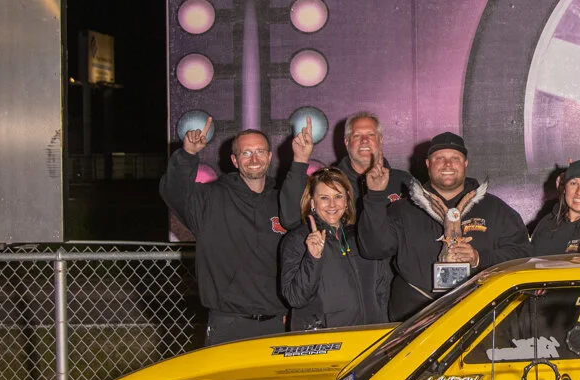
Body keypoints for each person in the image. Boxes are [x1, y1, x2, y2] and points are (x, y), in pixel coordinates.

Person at [357, 130, 529, 319]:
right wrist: (375, 197)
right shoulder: (403, 209)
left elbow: (522, 255)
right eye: (439, 158)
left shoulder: (494, 208)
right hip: (415, 319)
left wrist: (479, 259)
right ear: (428, 164)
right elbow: (373, 249)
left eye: (455, 158)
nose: (447, 164)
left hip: (479, 317)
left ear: (465, 164)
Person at [159, 120, 289, 345]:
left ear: (269, 157)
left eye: (260, 152)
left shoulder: (283, 202)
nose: (254, 159)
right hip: (229, 323)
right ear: (235, 160)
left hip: (277, 322)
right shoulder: (211, 199)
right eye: (246, 153)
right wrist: (188, 155)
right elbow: (174, 192)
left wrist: (292, 309)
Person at [279, 168, 389, 330]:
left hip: (368, 336)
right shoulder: (298, 239)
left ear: (347, 200)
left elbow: (381, 290)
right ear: (312, 203)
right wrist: (313, 258)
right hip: (325, 339)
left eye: (338, 196)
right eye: (324, 198)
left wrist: (383, 328)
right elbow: (295, 298)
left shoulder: (361, 236)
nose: (332, 204)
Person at [279, 111, 407, 228]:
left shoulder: (403, 182)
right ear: (346, 142)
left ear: (381, 140)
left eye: (371, 134)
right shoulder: (326, 183)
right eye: (357, 135)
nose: (364, 140)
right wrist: (300, 161)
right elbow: (291, 220)